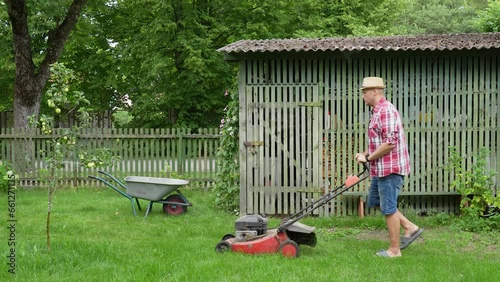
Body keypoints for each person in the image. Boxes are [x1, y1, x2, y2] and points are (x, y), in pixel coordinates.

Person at [355, 77, 423, 258]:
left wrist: (368, 157)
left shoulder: (386, 110)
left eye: (364, 92)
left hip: (390, 169)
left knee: (389, 208)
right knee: (376, 201)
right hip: (381, 168)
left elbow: (389, 143)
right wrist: (365, 153)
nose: (362, 96)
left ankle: (394, 250)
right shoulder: (377, 112)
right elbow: (379, 140)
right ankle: (410, 227)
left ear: (375, 91)